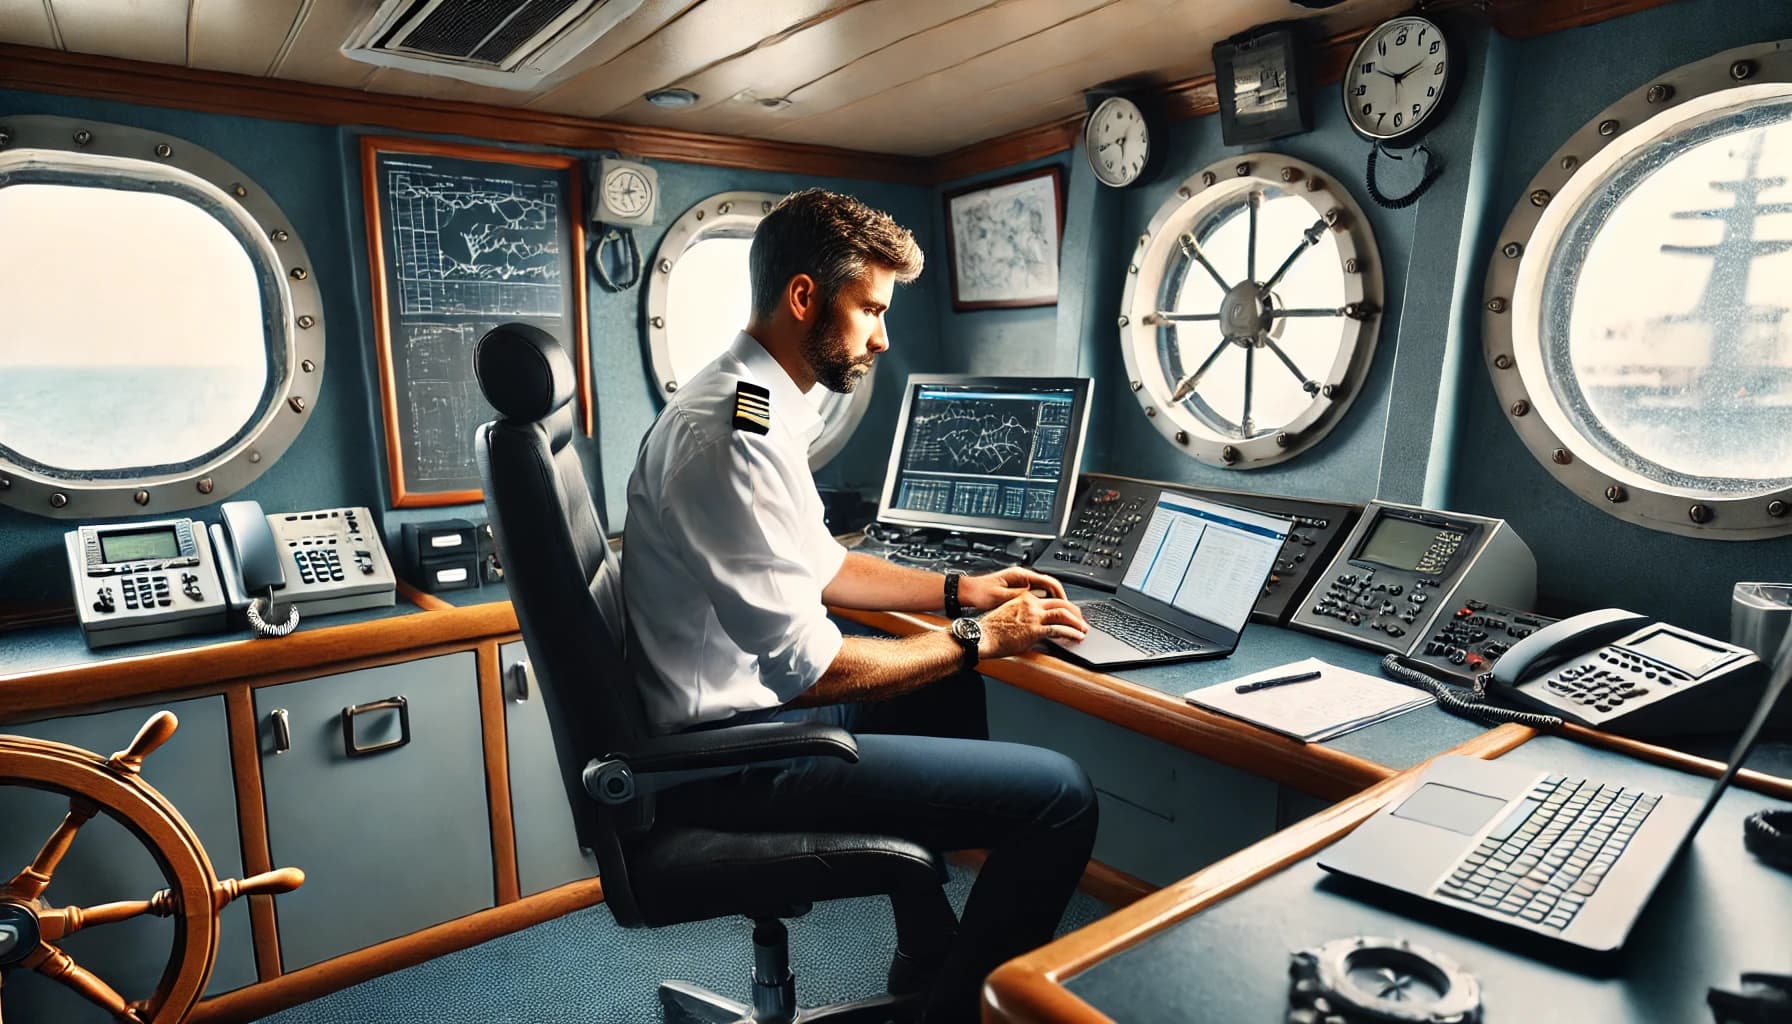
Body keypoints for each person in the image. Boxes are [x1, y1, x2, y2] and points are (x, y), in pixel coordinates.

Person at [622, 188, 1097, 1022]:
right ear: (804, 296)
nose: (882, 336)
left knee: (948, 688)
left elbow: (829, 567)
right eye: (870, 308)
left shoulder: (754, 401)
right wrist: (982, 636)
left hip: (739, 727)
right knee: (1060, 795)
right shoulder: (732, 435)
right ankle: (961, 1010)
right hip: (734, 759)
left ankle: (926, 944)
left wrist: (961, 592)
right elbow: (810, 670)